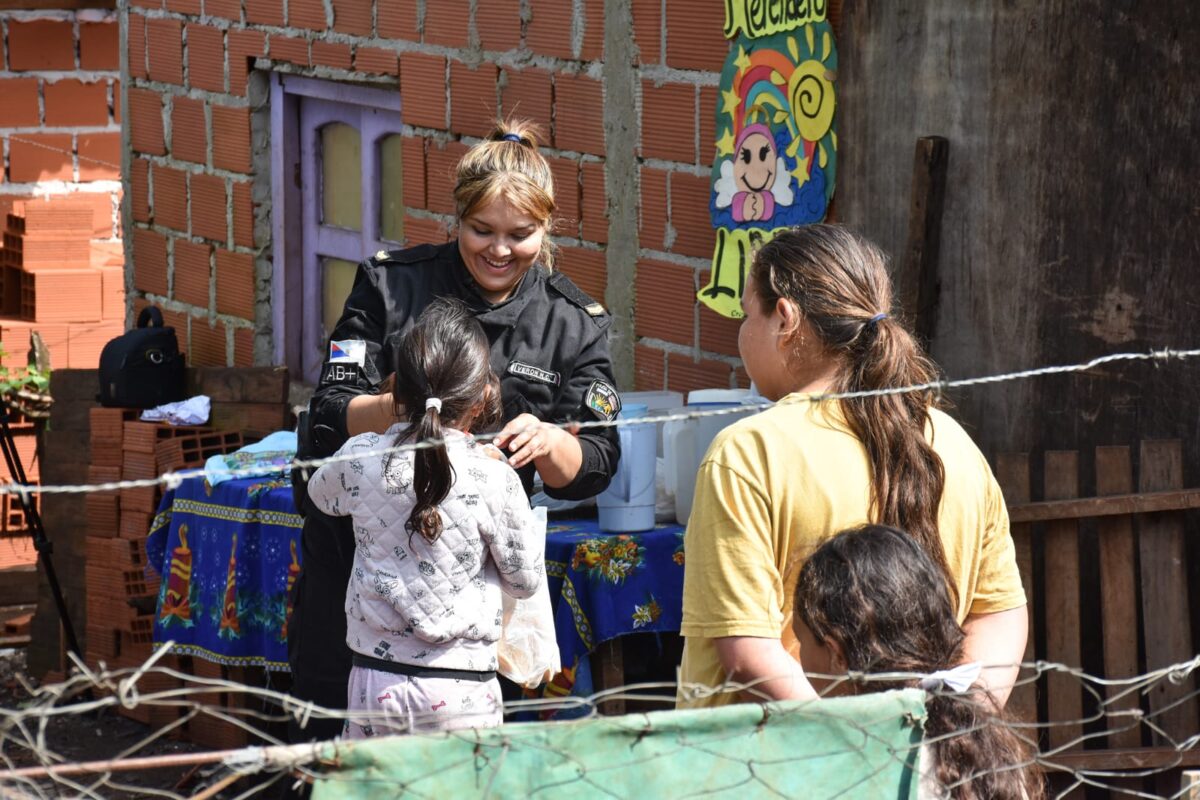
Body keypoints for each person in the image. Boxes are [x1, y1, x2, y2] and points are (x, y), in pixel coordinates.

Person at [288, 120, 621, 741]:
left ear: (546, 231)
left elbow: (599, 458)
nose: (499, 251)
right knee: (340, 767)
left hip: (474, 625)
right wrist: (409, 409)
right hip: (362, 598)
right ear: (456, 219)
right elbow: (327, 417)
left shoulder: (571, 323)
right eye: (481, 231)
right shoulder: (393, 286)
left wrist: (551, 444)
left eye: (521, 236)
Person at [677, 224, 1027, 710]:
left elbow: (748, 652)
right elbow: (1000, 614)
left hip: (767, 772)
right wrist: (952, 730)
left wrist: (849, 746)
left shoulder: (747, 453)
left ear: (785, 318)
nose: (741, 332)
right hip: (915, 776)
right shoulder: (953, 442)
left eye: (744, 314)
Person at [305, 298, 543, 736]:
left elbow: (319, 493)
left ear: (396, 391)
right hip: (464, 689)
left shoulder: (362, 458)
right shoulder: (494, 478)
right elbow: (524, 581)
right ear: (482, 398)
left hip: (375, 682)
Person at [794, 525, 1043, 800]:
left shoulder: (857, 768)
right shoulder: (985, 746)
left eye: (800, 640)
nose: (799, 653)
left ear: (836, 653)